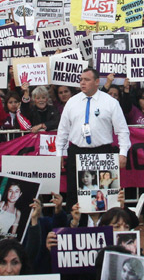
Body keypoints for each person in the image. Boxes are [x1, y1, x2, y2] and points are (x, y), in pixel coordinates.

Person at [56, 69, 131, 207]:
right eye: (81, 80)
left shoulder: (110, 102)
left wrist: (123, 153)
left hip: (102, 153)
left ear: (97, 82)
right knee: (76, 195)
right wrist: (59, 153)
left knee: (104, 194)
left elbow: (122, 130)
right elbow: (63, 130)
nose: (82, 83)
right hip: (77, 153)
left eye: (87, 80)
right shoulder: (72, 102)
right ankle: (76, 226)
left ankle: (105, 226)